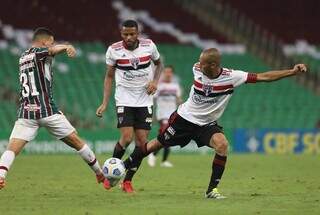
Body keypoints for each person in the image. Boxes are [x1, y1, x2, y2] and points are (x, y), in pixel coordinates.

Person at [122, 48, 308, 199]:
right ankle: (126, 172)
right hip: (184, 120)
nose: (198, 65)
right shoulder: (197, 68)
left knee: (222, 145)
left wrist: (292, 72)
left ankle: (211, 190)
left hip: (207, 124)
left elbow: (264, 77)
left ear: (212, 65)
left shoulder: (233, 77)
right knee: (154, 145)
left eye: (202, 63)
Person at [0, 27, 109, 190]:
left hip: (27, 112)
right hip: (46, 110)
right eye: (51, 42)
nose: (52, 44)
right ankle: (100, 174)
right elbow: (51, 51)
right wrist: (65, 47)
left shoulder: (23, 57)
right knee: (77, 142)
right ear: (44, 41)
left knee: (12, 148)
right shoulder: (40, 52)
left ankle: (1, 175)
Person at [96, 20, 163, 193]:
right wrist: (104, 102)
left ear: (138, 33)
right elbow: (109, 76)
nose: (129, 37)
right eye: (125, 34)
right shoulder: (114, 50)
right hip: (124, 99)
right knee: (126, 138)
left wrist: (155, 81)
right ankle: (111, 175)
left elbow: (159, 64)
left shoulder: (149, 46)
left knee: (142, 144)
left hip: (144, 99)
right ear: (121, 34)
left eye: (132, 34)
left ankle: (127, 181)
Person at [148, 65, 182, 167]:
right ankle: (153, 155)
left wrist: (180, 105)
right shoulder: (159, 86)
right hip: (162, 115)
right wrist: (152, 114)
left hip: (172, 115)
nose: (167, 74)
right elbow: (153, 99)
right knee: (167, 135)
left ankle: (162, 160)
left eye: (169, 72)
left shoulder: (176, 86)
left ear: (172, 74)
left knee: (167, 137)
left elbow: (178, 99)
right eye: (166, 72)